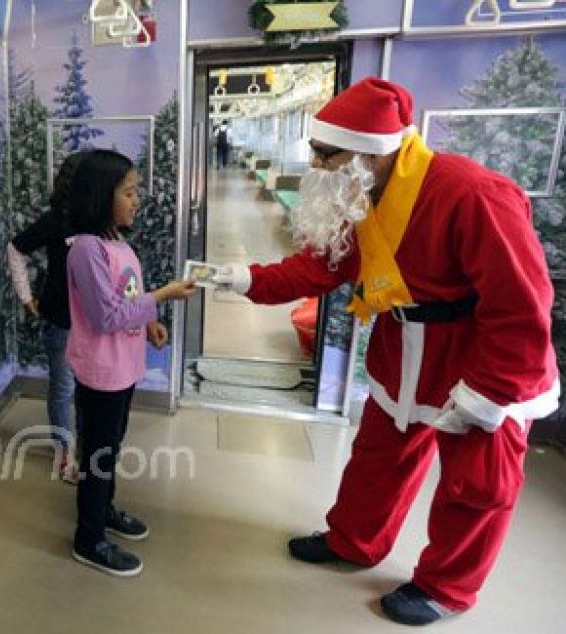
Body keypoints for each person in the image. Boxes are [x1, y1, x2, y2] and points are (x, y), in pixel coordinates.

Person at [212, 77, 559, 625]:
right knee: (378, 458)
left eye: (327, 154)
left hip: (480, 359)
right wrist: (238, 277)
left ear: (370, 151)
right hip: (404, 350)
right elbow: (318, 267)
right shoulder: (361, 195)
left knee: (476, 484)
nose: (317, 167)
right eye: (316, 153)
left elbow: (521, 302)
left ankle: (446, 587)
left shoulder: (471, 194)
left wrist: (491, 390)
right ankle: (353, 540)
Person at [65, 149, 196, 577]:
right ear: (102, 196)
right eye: (129, 192)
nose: (136, 200)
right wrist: (162, 296)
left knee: (112, 444)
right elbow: (106, 316)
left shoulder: (116, 242)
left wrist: (153, 321)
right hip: (101, 371)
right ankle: (88, 538)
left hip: (123, 366)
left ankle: (103, 510)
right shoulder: (85, 250)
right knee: (99, 454)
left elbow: (127, 297)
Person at [5, 151, 87, 484]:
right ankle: (65, 454)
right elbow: (15, 248)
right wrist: (25, 297)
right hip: (61, 320)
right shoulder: (57, 219)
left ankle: (85, 448)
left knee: (89, 391)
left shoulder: (102, 220)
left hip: (96, 324)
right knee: (64, 388)